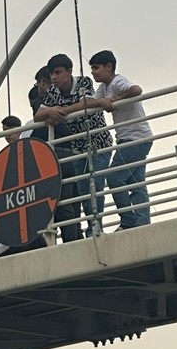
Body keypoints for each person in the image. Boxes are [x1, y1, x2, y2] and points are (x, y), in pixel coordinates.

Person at [35, 54, 113, 242]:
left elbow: (85, 102)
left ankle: (96, 226)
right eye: (52, 74)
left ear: (69, 72)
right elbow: (38, 115)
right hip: (77, 148)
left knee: (95, 184)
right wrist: (50, 111)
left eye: (58, 73)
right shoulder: (54, 91)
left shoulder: (83, 82)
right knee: (84, 190)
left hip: (98, 144)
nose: (54, 77)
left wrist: (60, 111)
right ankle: (91, 225)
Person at [89, 50, 154, 228]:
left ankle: (128, 220)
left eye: (96, 68)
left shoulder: (117, 82)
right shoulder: (104, 88)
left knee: (114, 177)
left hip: (134, 138)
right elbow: (89, 101)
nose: (93, 72)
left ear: (109, 67)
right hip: (138, 138)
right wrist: (102, 102)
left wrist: (116, 100)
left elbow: (136, 90)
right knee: (136, 181)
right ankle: (142, 222)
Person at [28, 68, 53, 142]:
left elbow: (38, 117)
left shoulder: (41, 101)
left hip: (42, 142)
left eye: (37, 83)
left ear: (42, 82)